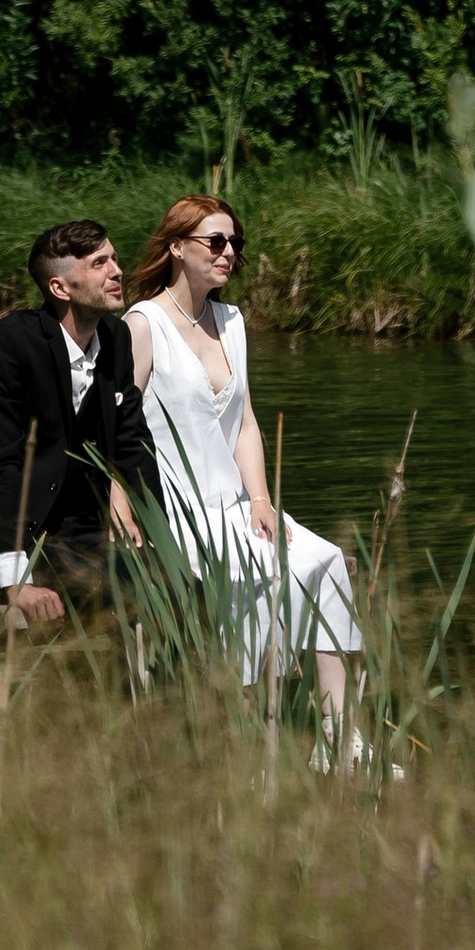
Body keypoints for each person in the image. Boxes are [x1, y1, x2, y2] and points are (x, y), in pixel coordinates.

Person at [124, 195, 362, 741]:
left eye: (235, 243)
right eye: (216, 241)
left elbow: (246, 421)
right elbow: (121, 428)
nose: (229, 252)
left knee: (325, 560)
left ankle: (341, 737)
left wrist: (260, 498)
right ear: (178, 248)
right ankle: (256, 737)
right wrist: (123, 500)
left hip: (235, 502)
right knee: (255, 579)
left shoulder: (231, 321)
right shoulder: (143, 324)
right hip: (179, 509)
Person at [0, 219, 162, 627]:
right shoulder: (9, 345)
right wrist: (15, 580)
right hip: (8, 541)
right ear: (60, 288)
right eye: (99, 263)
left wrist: (157, 535)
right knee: (121, 593)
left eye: (114, 258)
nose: (117, 270)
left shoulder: (115, 339)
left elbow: (134, 445)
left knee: (183, 587)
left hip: (82, 535)